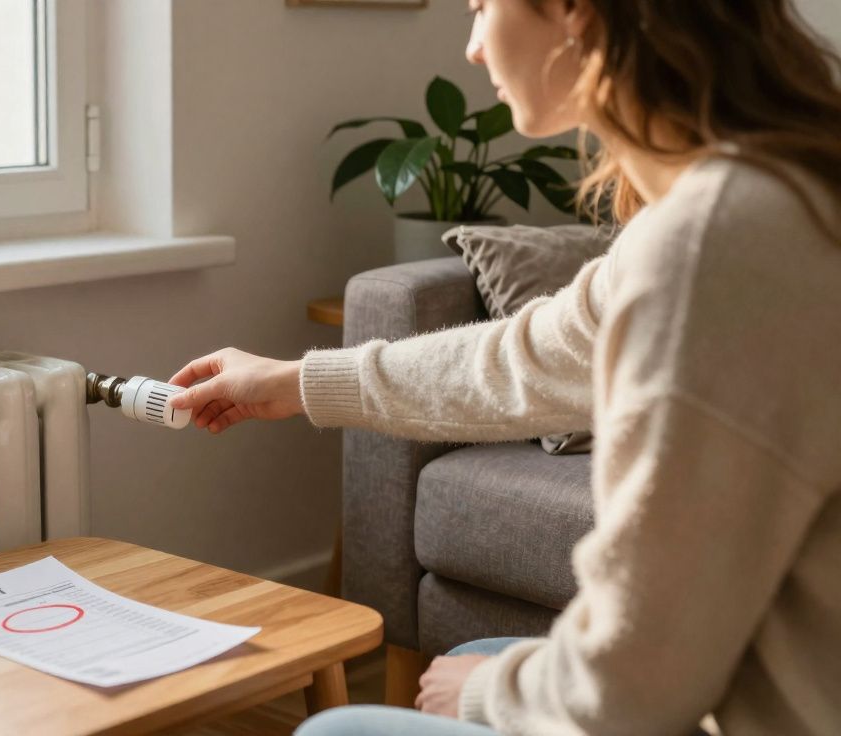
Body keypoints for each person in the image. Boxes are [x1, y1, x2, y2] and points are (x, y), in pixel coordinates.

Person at [166, 0, 841, 733]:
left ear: (576, 12)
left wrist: (488, 695)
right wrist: (292, 382)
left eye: (483, 6)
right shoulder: (757, 194)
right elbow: (521, 359)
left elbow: (634, 688)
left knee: (340, 728)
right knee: (484, 650)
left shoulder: (715, 245)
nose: (474, 47)